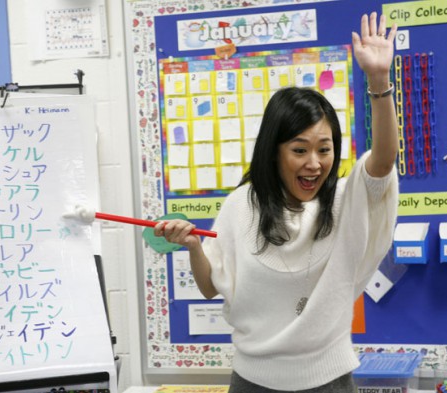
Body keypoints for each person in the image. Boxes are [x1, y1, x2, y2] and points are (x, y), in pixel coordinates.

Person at [154, 11, 399, 393]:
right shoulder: (241, 206)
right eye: (299, 150)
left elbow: (383, 162)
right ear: (274, 151)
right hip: (253, 382)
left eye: (325, 149)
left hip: (329, 381)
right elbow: (208, 286)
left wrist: (379, 81)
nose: (314, 163)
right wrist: (191, 246)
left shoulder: (344, 202)